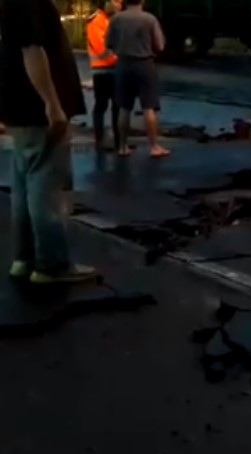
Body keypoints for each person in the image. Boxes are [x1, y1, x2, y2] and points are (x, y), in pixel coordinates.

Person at [0, 0, 98, 283]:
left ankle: (25, 258)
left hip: (18, 105)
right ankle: (52, 264)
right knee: (47, 187)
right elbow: (32, 49)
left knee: (25, 184)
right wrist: (52, 104)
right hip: (36, 108)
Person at [106, 0, 169, 158]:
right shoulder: (149, 19)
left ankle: (122, 146)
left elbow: (109, 43)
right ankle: (154, 147)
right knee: (149, 106)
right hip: (144, 64)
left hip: (123, 65)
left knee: (124, 107)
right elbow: (160, 46)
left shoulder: (116, 19)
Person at [87, 0, 123, 151]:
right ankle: (100, 140)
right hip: (102, 70)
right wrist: (121, 59)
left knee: (117, 106)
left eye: (120, 2)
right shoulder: (96, 21)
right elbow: (103, 51)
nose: (118, 5)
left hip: (115, 70)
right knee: (101, 105)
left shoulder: (114, 19)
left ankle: (120, 141)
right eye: (115, 1)